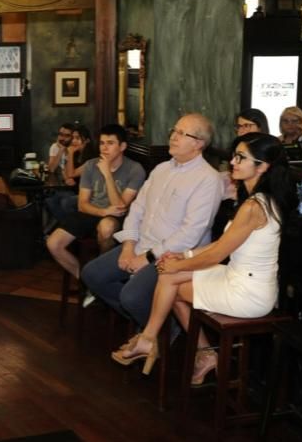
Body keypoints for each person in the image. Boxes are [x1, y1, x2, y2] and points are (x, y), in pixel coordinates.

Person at [111, 134, 291, 382]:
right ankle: (158, 342)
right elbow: (220, 243)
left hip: (249, 292)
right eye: (234, 155)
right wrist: (183, 255)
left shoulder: (254, 207)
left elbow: (217, 254)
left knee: (170, 278)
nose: (233, 161)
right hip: (240, 277)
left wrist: (179, 263)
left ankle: (157, 341)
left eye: (241, 157)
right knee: (169, 275)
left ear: (263, 166)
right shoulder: (255, 200)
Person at [81, 114, 224, 320]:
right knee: (92, 274)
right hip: (140, 244)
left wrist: (147, 258)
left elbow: (190, 234)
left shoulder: (208, 179)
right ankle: (151, 324)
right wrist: (129, 245)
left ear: (198, 143)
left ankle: (157, 331)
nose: (173, 137)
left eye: (182, 133)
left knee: (131, 297)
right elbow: (137, 208)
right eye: (174, 131)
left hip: (173, 256)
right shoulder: (161, 169)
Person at [46, 124, 144, 282]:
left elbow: (119, 207)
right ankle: (87, 281)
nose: (104, 148)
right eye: (102, 143)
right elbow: (82, 204)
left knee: (106, 227)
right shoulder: (91, 165)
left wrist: (107, 174)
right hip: (92, 211)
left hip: (119, 217)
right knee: (53, 243)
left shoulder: (135, 169)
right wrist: (103, 212)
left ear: (122, 146)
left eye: (110, 143)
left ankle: (101, 275)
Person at [45, 125, 92, 225]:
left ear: (87, 140)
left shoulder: (92, 158)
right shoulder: (76, 154)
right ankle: (67, 227)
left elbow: (71, 173)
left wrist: (69, 153)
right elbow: (67, 173)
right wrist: (67, 177)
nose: (74, 141)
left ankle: (72, 228)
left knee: (66, 202)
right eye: (74, 138)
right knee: (49, 199)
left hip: (88, 193)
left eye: (78, 138)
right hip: (75, 189)